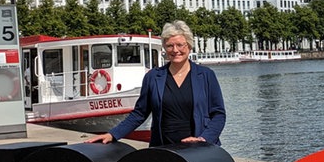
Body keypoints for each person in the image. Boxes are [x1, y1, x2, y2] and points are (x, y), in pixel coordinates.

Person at [86, 20, 225, 146]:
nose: (175, 50)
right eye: (170, 45)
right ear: (164, 47)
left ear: (189, 46)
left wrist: (204, 139)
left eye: (180, 45)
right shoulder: (153, 77)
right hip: (164, 148)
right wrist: (113, 134)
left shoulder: (206, 75)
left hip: (198, 149)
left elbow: (218, 114)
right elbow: (139, 113)